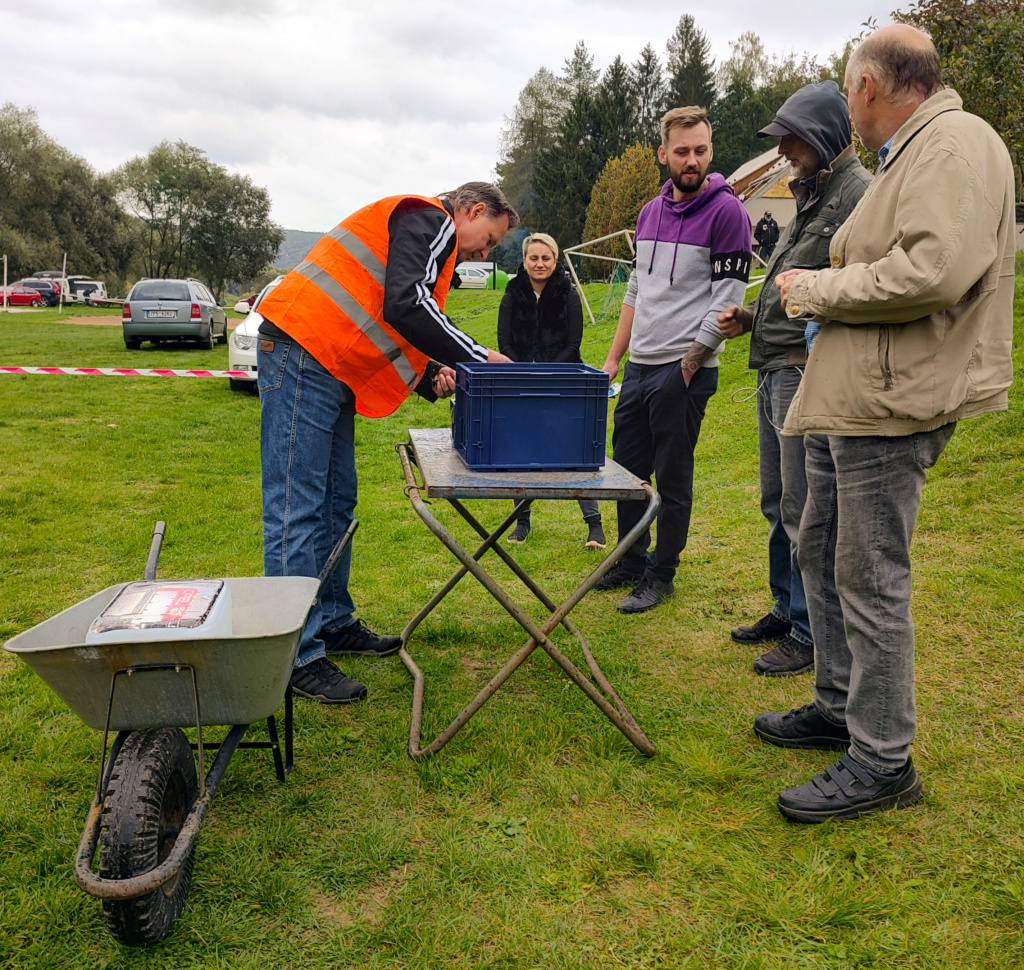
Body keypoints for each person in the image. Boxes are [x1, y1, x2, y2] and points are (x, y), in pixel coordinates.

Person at [756, 25, 1015, 822]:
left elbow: (932, 271)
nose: (849, 103)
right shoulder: (923, 147)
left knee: (871, 575)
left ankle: (882, 760)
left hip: (893, 401)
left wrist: (815, 289)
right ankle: (839, 705)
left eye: (848, 87)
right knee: (827, 551)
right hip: (858, 390)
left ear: (869, 86)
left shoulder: (954, 144)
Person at [255, 182, 518, 704]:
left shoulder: (430, 245)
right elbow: (406, 306)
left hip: (327, 363)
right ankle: (295, 655)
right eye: (489, 239)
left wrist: (431, 374)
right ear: (473, 210)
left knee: (335, 503)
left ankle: (332, 622)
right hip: (303, 350)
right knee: (295, 508)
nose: (485, 253)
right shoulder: (430, 220)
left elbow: (387, 320)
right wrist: (476, 354)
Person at [718, 82, 872, 677]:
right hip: (772, 363)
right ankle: (786, 608)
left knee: (804, 509)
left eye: (791, 138)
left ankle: (810, 633)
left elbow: (846, 290)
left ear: (823, 134)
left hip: (804, 371)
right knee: (776, 500)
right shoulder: (810, 194)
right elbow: (796, 282)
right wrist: (753, 318)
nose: (783, 150)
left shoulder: (857, 194)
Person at [597, 106, 752, 614]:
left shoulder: (728, 212)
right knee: (627, 472)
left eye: (701, 150)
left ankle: (661, 574)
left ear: (711, 150)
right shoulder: (648, 213)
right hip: (639, 366)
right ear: (663, 154)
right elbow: (637, 289)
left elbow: (727, 297)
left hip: (683, 370)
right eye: (682, 151)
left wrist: (686, 368)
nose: (692, 160)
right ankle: (629, 560)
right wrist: (616, 358)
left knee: (672, 475)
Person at [497, 232, 606, 549]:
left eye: (546, 258)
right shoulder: (512, 294)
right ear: (525, 260)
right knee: (523, 453)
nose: (540, 263)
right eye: (534, 257)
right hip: (522, 384)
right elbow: (505, 342)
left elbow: (573, 344)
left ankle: (594, 527)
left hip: (564, 382)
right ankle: (521, 523)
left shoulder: (569, 295)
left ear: (555, 261)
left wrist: (548, 373)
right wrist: (525, 373)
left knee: (574, 451)